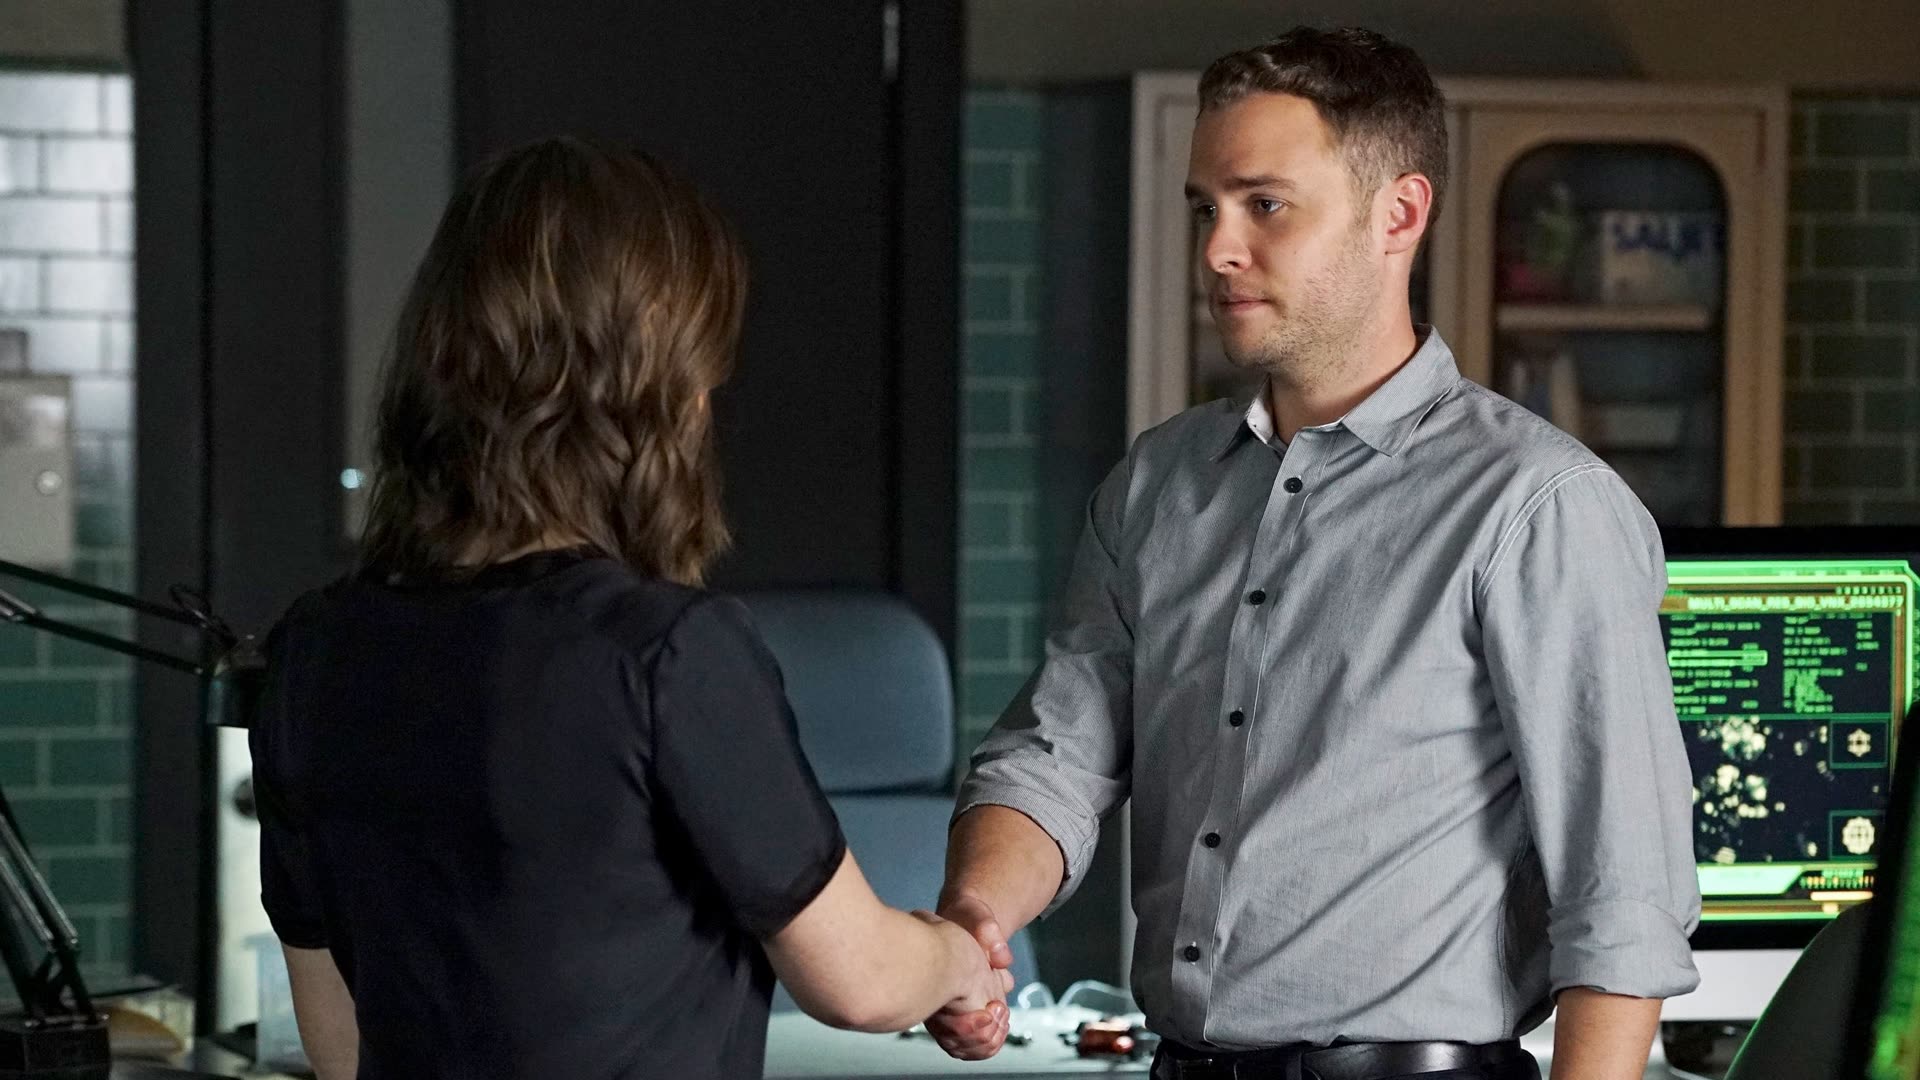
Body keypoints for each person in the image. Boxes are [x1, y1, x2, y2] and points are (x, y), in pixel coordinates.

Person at [924, 26, 1702, 1080]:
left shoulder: (1537, 506)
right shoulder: (1157, 484)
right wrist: (973, 922)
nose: (1217, 249)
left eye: (1265, 205)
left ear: (1399, 214)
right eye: (1204, 208)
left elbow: (1623, 892)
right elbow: (1055, 758)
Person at [248, 136, 1008, 1080]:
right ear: (650, 388)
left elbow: (336, 1040)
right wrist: (960, 959)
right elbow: (859, 980)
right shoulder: (669, 656)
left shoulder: (312, 652)